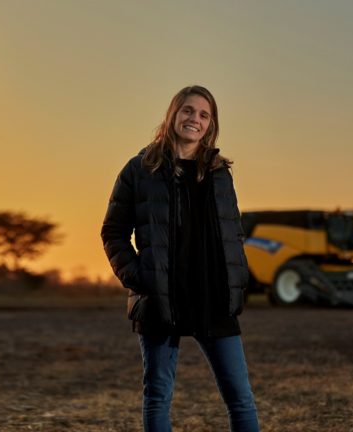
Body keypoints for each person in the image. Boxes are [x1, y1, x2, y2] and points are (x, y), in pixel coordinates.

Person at [101, 85, 260, 432]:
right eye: (188, 110)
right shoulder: (139, 169)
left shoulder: (219, 173)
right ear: (173, 114)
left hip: (213, 298)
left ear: (211, 125)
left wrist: (237, 282)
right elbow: (113, 232)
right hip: (161, 299)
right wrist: (140, 277)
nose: (195, 119)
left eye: (204, 115)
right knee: (157, 396)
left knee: (240, 398)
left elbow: (234, 233)